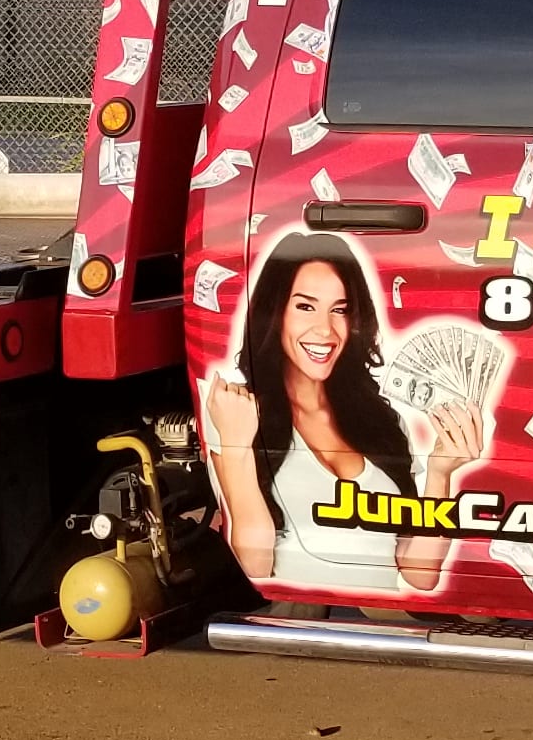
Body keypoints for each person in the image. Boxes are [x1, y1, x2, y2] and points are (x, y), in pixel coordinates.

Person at [202, 234, 488, 596]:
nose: (325, 329)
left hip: (379, 628)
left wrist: (440, 474)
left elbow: (419, 574)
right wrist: (238, 446)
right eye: (305, 307)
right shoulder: (236, 415)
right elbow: (255, 565)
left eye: (340, 309)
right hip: (298, 626)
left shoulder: (380, 420)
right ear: (274, 312)